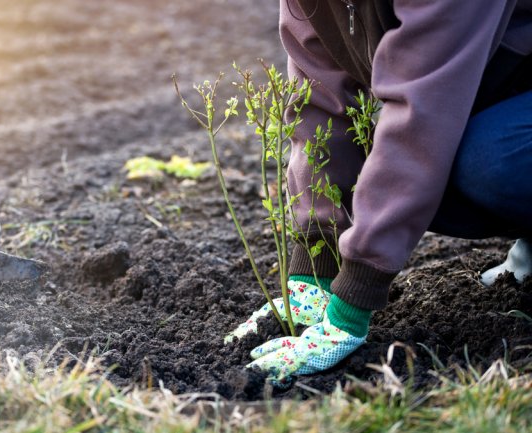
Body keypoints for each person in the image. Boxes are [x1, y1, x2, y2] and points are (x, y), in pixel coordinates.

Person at [225, 0, 532, 386]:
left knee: (480, 161)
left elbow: (422, 116)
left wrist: (353, 301)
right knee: (388, 165)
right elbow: (317, 95)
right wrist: (315, 259)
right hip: (495, 88)